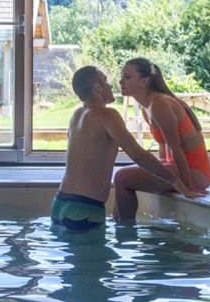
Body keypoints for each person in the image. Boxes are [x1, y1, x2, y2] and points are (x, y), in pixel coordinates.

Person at [52, 66, 191, 231]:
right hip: (85, 209)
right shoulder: (107, 115)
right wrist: (174, 180)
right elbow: (138, 155)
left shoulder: (76, 116)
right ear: (97, 86)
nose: (111, 86)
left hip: (60, 204)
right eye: (106, 81)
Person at [112, 58, 210, 223]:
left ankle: (124, 232)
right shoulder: (148, 108)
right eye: (122, 77)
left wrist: (187, 187)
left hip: (195, 173)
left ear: (144, 81)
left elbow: (176, 148)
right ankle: (121, 226)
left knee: (122, 177)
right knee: (124, 176)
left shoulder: (160, 104)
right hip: (179, 170)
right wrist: (163, 173)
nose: (121, 81)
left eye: (127, 77)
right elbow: (164, 150)